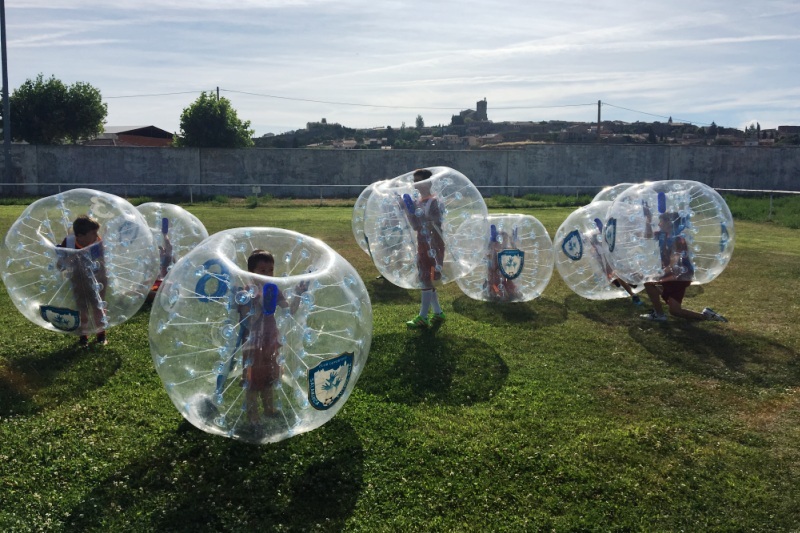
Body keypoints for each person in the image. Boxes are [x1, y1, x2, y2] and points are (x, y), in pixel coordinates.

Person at [238, 250, 307, 426]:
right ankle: (253, 416)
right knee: (252, 380)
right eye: (263, 270)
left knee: (270, 375)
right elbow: (246, 320)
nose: (268, 274)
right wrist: (258, 305)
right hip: (253, 343)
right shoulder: (247, 292)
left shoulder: (275, 291)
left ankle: (269, 408)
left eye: (270, 270)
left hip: (270, 340)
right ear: (251, 273)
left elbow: (289, 311)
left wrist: (298, 294)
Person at [639, 208, 727, 323]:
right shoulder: (663, 235)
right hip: (673, 274)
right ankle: (706, 315)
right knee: (674, 310)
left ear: (669, 223)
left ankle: (659, 315)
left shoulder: (678, 240)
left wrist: (658, 274)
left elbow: (674, 262)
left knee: (649, 282)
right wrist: (648, 220)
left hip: (680, 275)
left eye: (661, 222)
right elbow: (647, 236)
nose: (659, 224)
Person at [403, 169, 447, 331]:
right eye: (415, 181)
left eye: (419, 181)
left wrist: (417, 214)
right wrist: (409, 211)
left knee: (425, 278)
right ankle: (438, 312)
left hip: (433, 244)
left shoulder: (434, 202)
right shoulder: (419, 202)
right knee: (426, 277)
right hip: (423, 243)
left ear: (428, 182)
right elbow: (416, 226)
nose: (416, 185)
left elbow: (434, 223)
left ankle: (423, 316)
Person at [57, 215, 108, 347]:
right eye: (93, 233)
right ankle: (83, 336)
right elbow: (60, 265)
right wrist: (70, 259)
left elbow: (103, 263)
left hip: (98, 280)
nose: (97, 235)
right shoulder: (69, 243)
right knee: (82, 308)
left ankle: (101, 335)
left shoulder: (97, 242)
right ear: (80, 236)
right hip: (78, 280)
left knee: (98, 307)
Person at [486, 229, 522, 302]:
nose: (503, 244)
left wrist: (512, 242)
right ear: (495, 243)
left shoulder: (505, 252)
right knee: (499, 295)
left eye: (505, 242)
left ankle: (507, 293)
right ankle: (494, 293)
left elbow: (515, 253)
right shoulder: (491, 253)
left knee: (515, 294)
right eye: (501, 242)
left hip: (505, 280)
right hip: (494, 281)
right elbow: (492, 269)